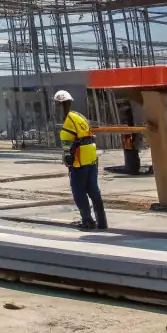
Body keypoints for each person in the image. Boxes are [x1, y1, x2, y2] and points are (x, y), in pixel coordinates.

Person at [54, 89, 106, 230]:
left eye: (60, 105)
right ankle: (102, 222)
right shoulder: (78, 116)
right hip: (91, 158)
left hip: (79, 160)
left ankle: (87, 221)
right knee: (93, 189)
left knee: (79, 191)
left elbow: (68, 144)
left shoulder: (69, 120)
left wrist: (68, 157)